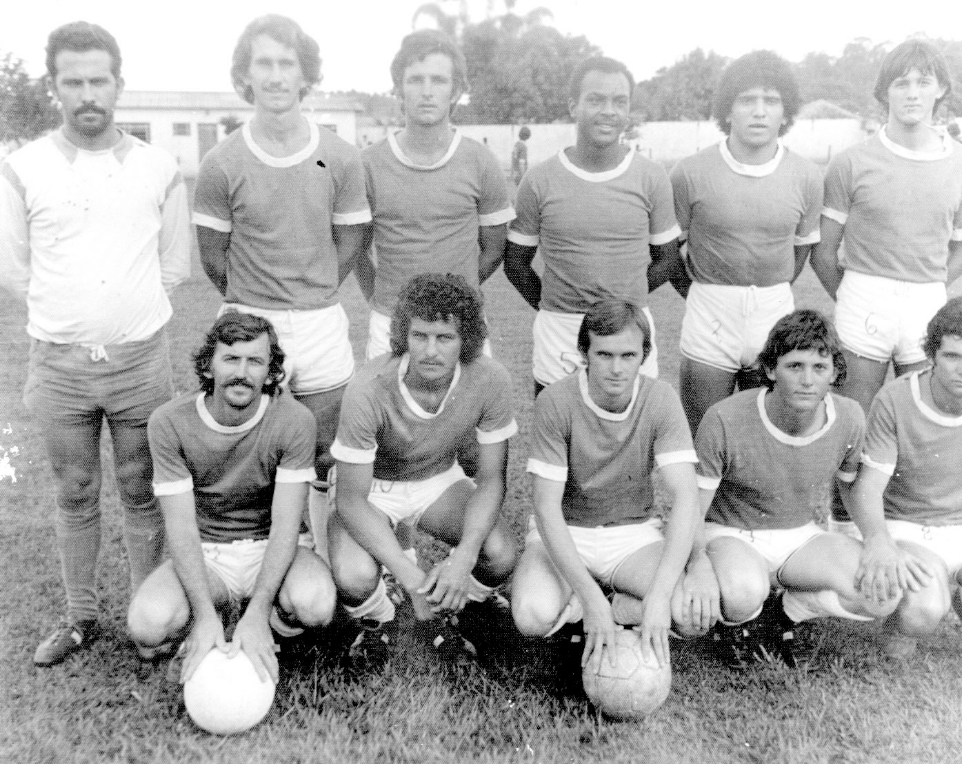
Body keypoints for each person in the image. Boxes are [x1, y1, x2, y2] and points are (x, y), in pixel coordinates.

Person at [0, 22, 190, 666]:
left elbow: (172, 267)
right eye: (72, 81)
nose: (87, 93)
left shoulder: (157, 167)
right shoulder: (23, 168)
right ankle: (80, 616)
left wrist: (120, 320)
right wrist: (77, 323)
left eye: (98, 80)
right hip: (59, 366)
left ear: (118, 84)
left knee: (142, 484)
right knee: (74, 489)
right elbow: (16, 271)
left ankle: (147, 616)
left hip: (140, 362)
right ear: (55, 88)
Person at [193, 15, 371, 561]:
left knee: (323, 453)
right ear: (245, 76)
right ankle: (267, 567)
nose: (274, 76)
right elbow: (213, 259)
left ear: (304, 75)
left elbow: (352, 238)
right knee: (254, 449)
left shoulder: (338, 155)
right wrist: (257, 298)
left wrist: (312, 289)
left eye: (285, 64)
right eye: (262, 64)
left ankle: (322, 569)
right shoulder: (221, 161)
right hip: (250, 322)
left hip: (319, 321)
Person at [811, 40, 962, 530]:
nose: (912, 92)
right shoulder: (851, 161)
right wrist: (857, 295)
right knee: (853, 422)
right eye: (900, 82)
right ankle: (844, 530)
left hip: (927, 299)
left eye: (923, 81)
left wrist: (925, 287)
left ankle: (913, 527)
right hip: (863, 296)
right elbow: (824, 251)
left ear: (940, 89)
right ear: (884, 91)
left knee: (923, 420)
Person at [127, 312, 336, 685]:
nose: (242, 372)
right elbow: (181, 529)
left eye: (255, 361)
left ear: (272, 371)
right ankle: (210, 618)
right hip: (208, 554)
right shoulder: (169, 422)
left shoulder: (294, 420)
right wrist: (205, 613)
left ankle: (268, 621)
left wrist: (257, 611)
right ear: (208, 367)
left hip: (271, 546)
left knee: (316, 606)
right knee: (147, 627)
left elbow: (287, 524)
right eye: (230, 359)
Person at [328, 274, 519, 664]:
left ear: (466, 339)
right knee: (354, 575)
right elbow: (350, 499)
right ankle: (380, 619)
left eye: (444, 337)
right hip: (373, 491)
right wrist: (410, 577)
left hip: (438, 480)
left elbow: (492, 479)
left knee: (498, 553)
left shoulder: (490, 378)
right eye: (419, 336)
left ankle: (458, 608)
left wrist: (463, 556)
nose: (430, 351)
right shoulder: (369, 386)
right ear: (402, 336)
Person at [511, 300, 705, 672]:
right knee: (531, 615)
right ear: (584, 353)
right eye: (604, 354)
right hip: (568, 531)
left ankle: (615, 606)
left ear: (644, 355)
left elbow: (684, 496)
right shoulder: (555, 400)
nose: (617, 368)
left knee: (689, 612)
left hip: (631, 534)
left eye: (628, 355)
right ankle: (594, 603)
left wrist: (661, 595)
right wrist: (591, 600)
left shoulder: (661, 398)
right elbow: (546, 507)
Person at [694, 310, 893, 667]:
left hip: (798, 536)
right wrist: (696, 564)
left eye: (819, 367)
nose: (807, 380)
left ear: (835, 373)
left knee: (881, 595)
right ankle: (740, 622)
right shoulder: (724, 418)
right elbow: (690, 508)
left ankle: (787, 610)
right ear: (770, 369)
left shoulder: (848, 417)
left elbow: (853, 489)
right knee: (743, 592)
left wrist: (878, 540)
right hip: (732, 534)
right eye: (794, 366)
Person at [850, 295, 962, 664]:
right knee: (924, 611)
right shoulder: (896, 399)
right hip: (911, 529)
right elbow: (867, 487)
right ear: (932, 354)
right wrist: (879, 541)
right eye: (952, 356)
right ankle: (902, 624)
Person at [504, 56, 685, 395]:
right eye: (596, 99)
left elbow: (668, 258)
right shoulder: (539, 179)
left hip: (629, 327)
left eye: (620, 101)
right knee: (559, 439)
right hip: (561, 329)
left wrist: (625, 301)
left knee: (629, 437)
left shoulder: (651, 176)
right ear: (573, 105)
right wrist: (557, 304)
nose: (609, 110)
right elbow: (516, 264)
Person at [670, 50, 823, 436]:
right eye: (747, 100)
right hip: (709, 313)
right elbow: (669, 252)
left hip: (774, 311)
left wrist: (770, 290)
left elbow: (800, 249)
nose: (759, 111)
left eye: (770, 101)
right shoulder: (689, 172)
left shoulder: (805, 175)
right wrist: (705, 294)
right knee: (705, 439)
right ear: (727, 110)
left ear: (785, 112)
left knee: (768, 442)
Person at [355, 30, 514, 360]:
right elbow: (357, 249)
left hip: (461, 321)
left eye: (439, 80)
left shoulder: (480, 160)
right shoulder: (368, 163)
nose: (427, 92)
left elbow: (495, 247)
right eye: (415, 80)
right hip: (391, 322)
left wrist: (458, 292)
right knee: (388, 411)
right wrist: (382, 300)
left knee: (469, 410)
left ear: (455, 90)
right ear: (399, 87)